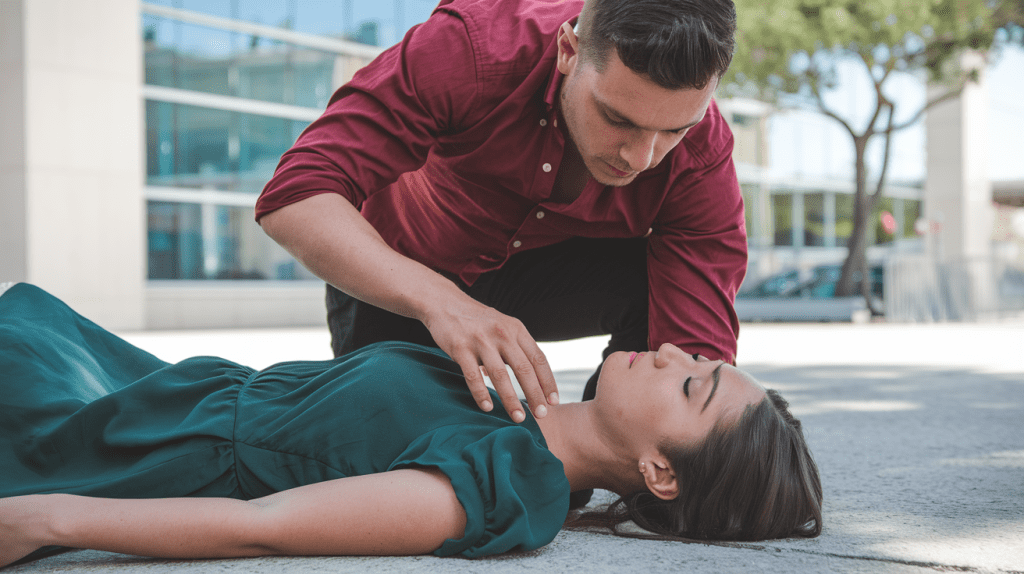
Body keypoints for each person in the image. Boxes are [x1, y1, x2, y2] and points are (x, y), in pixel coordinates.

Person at [0, 283, 821, 567]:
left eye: (694, 386)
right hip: (162, 390)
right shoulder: (518, 388)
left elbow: (270, 527)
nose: (674, 349)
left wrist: (46, 519)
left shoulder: (511, 483)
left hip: (143, 451)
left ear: (662, 474)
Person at [255, 0, 749, 429]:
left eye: (674, 131)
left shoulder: (703, 154)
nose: (642, 158)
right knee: (394, 448)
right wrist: (440, 301)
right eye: (618, 119)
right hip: (401, 273)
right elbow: (295, 193)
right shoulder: (474, 46)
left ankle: (598, 437)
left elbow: (696, 364)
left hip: (538, 277)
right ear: (568, 52)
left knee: (668, 317)